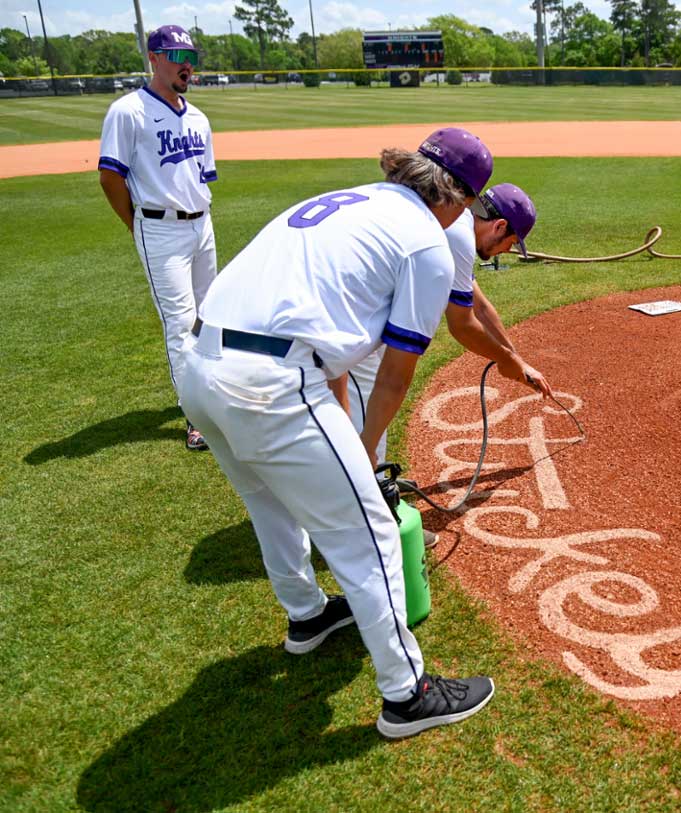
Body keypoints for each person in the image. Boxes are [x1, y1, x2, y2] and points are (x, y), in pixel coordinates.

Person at [178, 127, 542, 740]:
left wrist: (353, 442)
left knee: (269, 504)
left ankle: (307, 617)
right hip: (271, 382)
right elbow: (395, 375)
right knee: (369, 525)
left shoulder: (350, 199)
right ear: (461, 198)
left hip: (201, 370)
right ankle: (408, 695)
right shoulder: (426, 241)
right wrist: (367, 455)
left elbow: (340, 356)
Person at [347, 181, 549, 469]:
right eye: (511, 242)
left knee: (364, 400)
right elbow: (462, 325)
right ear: (500, 226)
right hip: (356, 314)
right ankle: (364, 487)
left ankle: (361, 477)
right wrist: (507, 360)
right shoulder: (460, 236)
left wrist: (518, 361)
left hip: (364, 304)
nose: (506, 250)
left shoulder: (461, 222)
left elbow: (480, 306)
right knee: (372, 393)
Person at [98, 24, 217, 451]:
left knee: (211, 316)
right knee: (181, 324)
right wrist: (136, 225)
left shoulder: (199, 117)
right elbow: (110, 176)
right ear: (154, 58)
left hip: (202, 225)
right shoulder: (128, 111)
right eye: (177, 56)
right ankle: (196, 417)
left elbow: (202, 178)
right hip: (159, 227)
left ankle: (213, 396)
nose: (187, 65)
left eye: (192, 58)